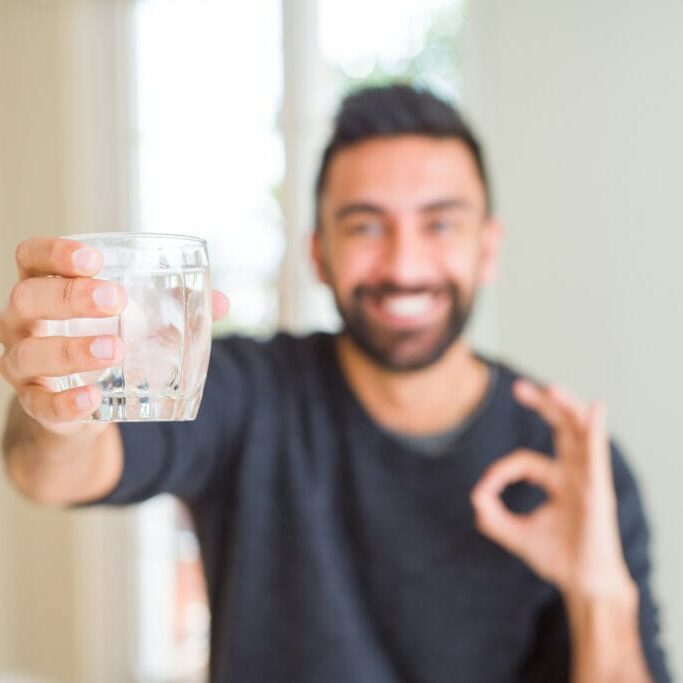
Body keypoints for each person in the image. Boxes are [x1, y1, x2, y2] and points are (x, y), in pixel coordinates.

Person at [0, 84, 671, 683]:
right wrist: (60, 411)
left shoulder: (570, 468)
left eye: (439, 223)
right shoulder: (252, 392)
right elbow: (51, 472)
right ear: (319, 252)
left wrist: (599, 597)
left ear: (486, 247)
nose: (404, 265)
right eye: (366, 225)